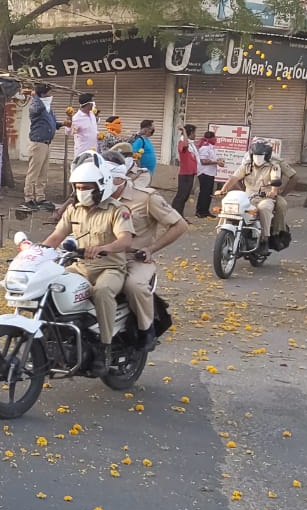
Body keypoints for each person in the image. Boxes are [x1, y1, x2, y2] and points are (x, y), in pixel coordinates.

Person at [40, 158, 135, 376]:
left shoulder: (117, 209)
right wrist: (36, 252)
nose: (82, 192)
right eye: (78, 188)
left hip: (110, 268)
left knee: (101, 291)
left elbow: (125, 240)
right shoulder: (74, 210)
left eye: (87, 188)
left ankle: (105, 347)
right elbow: (57, 236)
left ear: (101, 186)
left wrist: (104, 247)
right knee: (50, 287)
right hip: (79, 267)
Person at [105, 151, 187, 351]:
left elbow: (179, 225)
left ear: (119, 176)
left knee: (134, 285)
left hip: (133, 258)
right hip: (101, 256)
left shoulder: (146, 198)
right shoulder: (94, 196)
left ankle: (146, 330)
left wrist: (151, 249)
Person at [217, 141, 296, 254]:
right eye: (255, 155)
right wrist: (223, 189)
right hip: (248, 197)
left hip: (265, 197)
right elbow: (234, 178)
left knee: (264, 209)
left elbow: (275, 180)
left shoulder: (274, 167)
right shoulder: (246, 165)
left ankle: (264, 239)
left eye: (260, 156)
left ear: (267, 156)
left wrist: (273, 191)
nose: (257, 158)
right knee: (231, 206)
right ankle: (222, 232)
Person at [25, 83, 60, 210]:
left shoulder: (48, 107)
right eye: (49, 93)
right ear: (43, 94)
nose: (51, 95)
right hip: (38, 142)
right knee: (34, 172)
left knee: (43, 173)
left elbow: (53, 123)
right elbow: (35, 110)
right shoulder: (36, 105)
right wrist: (35, 97)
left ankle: (40, 196)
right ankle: (29, 197)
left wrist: (62, 124)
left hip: (46, 143)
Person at [172, 124, 199, 216]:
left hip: (191, 173)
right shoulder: (182, 142)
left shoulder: (192, 145)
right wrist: (183, 130)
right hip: (185, 173)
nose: (195, 135)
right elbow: (185, 146)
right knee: (181, 195)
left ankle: (180, 215)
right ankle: (175, 214)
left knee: (186, 196)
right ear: (190, 133)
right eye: (194, 133)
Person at [195, 130, 220, 218]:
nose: (215, 139)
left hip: (210, 173)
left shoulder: (211, 147)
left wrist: (218, 161)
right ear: (211, 138)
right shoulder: (205, 147)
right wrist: (216, 162)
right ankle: (200, 211)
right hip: (204, 173)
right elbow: (203, 161)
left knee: (208, 193)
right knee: (204, 193)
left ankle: (206, 211)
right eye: (214, 138)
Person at [130, 120, 157, 186]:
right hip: (142, 173)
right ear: (146, 129)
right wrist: (139, 169)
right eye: (152, 128)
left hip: (148, 172)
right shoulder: (139, 140)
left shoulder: (146, 140)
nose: (153, 130)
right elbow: (135, 156)